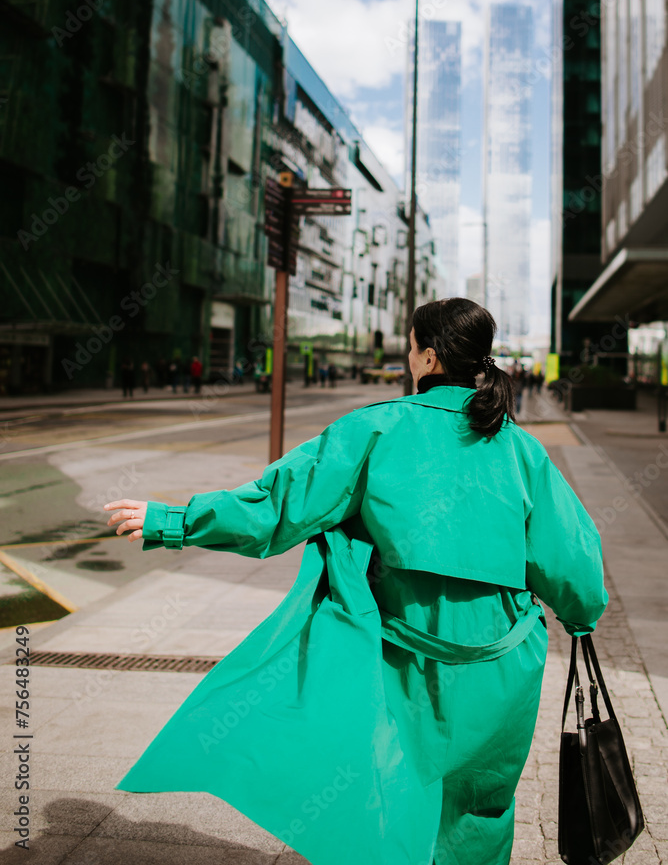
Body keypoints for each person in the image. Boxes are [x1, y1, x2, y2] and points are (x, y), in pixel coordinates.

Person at [103, 297, 607, 865]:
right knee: (481, 808)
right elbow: (578, 572)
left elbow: (277, 506)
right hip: (503, 666)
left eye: (410, 345)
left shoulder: (375, 430)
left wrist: (172, 521)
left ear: (428, 359)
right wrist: (580, 619)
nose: (407, 355)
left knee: (389, 794)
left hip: (405, 658)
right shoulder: (521, 449)